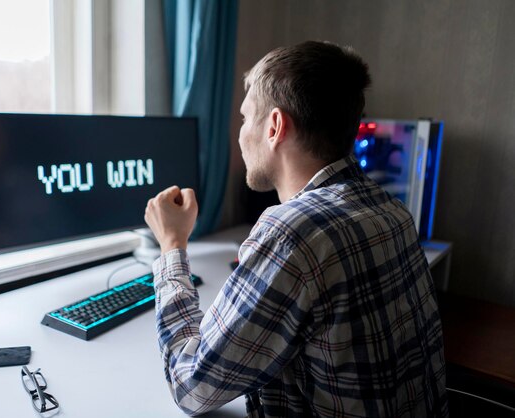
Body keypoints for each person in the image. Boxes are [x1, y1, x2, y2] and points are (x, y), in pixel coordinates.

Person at [144, 40, 448, 418]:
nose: (239, 135)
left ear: (274, 126)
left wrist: (172, 244)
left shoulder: (292, 233)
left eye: (243, 118)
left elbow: (190, 386)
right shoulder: (390, 209)